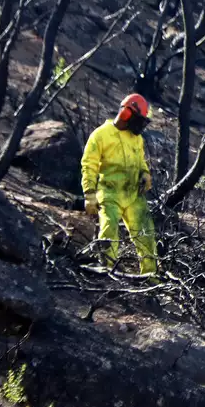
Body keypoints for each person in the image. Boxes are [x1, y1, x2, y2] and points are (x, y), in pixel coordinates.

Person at [81, 93, 158, 275]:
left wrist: (145, 173)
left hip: (133, 195)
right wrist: (90, 194)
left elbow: (140, 161)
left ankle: (150, 276)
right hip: (110, 193)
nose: (140, 125)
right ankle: (107, 270)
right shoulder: (100, 135)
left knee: (146, 234)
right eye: (139, 119)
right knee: (109, 230)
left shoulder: (136, 138)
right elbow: (89, 165)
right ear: (126, 113)